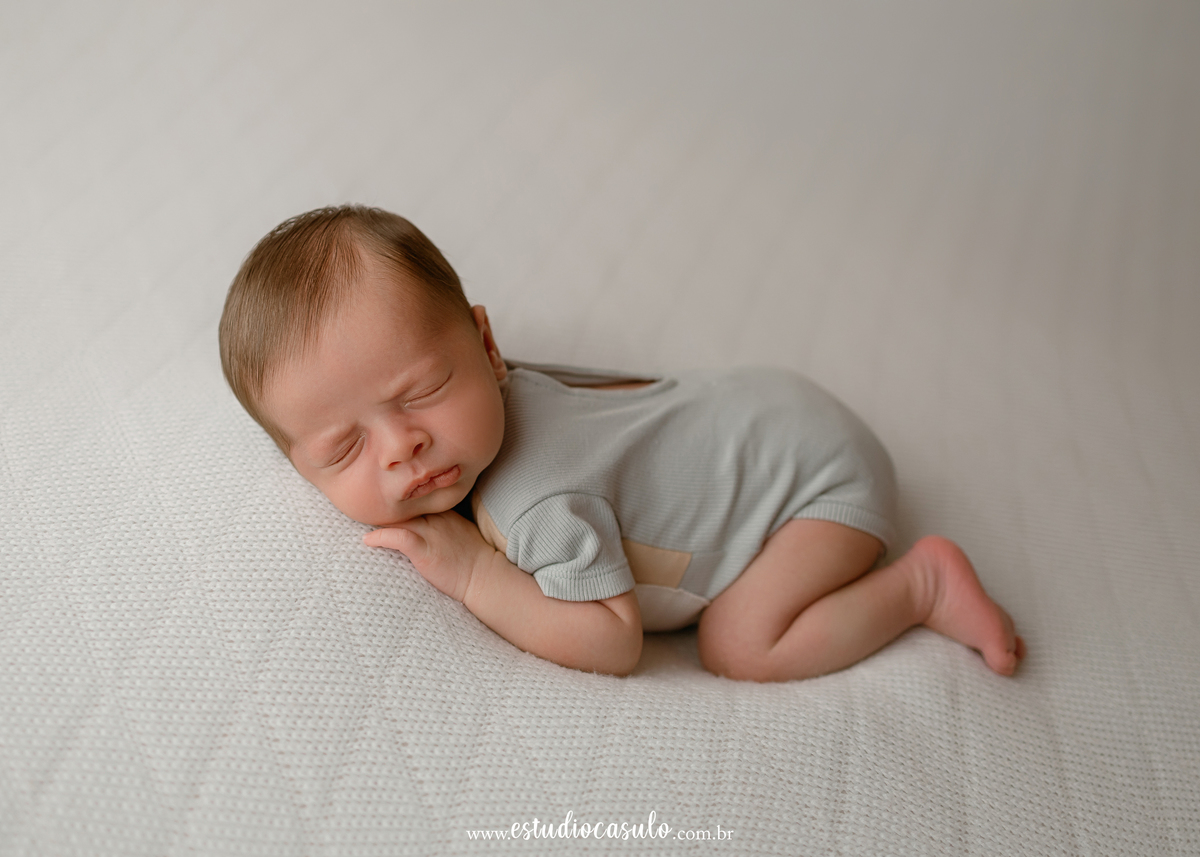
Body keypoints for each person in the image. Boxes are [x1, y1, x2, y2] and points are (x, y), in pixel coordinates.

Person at [219, 205, 1025, 680]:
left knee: (740, 645)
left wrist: (473, 574)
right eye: (343, 449)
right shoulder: (507, 389)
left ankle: (922, 585)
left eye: (422, 390)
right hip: (769, 407)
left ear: (488, 346)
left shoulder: (537, 500)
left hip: (816, 486)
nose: (402, 446)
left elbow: (613, 639)